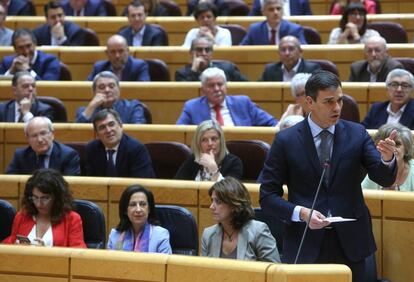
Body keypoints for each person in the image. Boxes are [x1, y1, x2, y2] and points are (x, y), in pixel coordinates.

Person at [259, 70, 397, 282]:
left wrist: (387, 160)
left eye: (340, 100)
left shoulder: (357, 133)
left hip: (351, 241)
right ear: (309, 102)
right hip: (306, 241)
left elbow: (384, 178)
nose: (337, 108)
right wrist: (301, 213)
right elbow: (267, 197)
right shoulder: (286, 141)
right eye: (329, 101)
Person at [202, 177, 281, 262]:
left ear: (233, 204)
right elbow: (203, 271)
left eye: (218, 201)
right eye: (212, 201)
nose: (211, 207)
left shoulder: (258, 232)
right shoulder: (208, 235)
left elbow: (274, 272)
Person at [2, 169, 86, 247]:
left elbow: (78, 254)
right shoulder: (22, 216)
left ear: (56, 198)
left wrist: (46, 252)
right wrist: (15, 247)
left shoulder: (72, 219)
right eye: (35, 197)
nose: (39, 204)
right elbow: (8, 244)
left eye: (45, 198)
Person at [176, 67, 278, 126]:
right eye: (211, 86)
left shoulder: (243, 103)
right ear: (203, 90)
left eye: (220, 84)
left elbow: (272, 123)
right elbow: (179, 132)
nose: (217, 89)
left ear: (226, 86)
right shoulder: (192, 107)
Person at [84, 108, 155, 178]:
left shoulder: (136, 149)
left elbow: (141, 184)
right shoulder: (91, 149)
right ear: (97, 134)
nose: (108, 130)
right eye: (102, 127)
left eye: (111, 124)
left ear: (120, 126)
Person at [6, 116, 81, 175]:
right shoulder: (21, 155)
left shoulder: (68, 155)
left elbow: (70, 186)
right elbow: (10, 183)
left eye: (43, 133)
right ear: (28, 139)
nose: (40, 140)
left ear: (52, 134)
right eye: (34, 136)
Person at [107, 185, 172, 253]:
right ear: (125, 210)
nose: (138, 210)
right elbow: (110, 262)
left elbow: (164, 263)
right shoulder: (115, 235)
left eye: (143, 204)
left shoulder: (160, 235)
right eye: (133, 204)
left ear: (149, 209)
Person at [174, 120, 243, 181]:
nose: (210, 144)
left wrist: (214, 170)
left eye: (214, 139)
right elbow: (176, 187)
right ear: (198, 144)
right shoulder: (193, 161)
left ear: (221, 141)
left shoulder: (234, 163)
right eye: (204, 140)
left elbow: (232, 192)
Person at [77, 71, 147, 124]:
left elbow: (138, 133)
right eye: (102, 87)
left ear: (119, 90)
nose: (107, 90)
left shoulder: (133, 108)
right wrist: (91, 107)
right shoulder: (85, 111)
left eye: (111, 86)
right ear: (94, 92)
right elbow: (77, 134)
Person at [362, 123, 414, 191]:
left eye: (397, 144)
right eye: (386, 145)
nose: (391, 149)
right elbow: (363, 195)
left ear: (406, 148)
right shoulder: (376, 168)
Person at [175, 36, 248, 82]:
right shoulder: (181, 74)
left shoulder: (227, 68)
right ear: (191, 53)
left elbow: (246, 86)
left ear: (212, 53)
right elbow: (186, 93)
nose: (204, 53)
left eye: (207, 50)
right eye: (199, 50)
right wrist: (194, 70)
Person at [240, 0, 307, 45]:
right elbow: (242, 51)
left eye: (278, 9)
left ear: (283, 11)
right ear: (263, 12)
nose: (276, 12)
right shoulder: (254, 30)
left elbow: (304, 51)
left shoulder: (294, 29)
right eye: (271, 9)